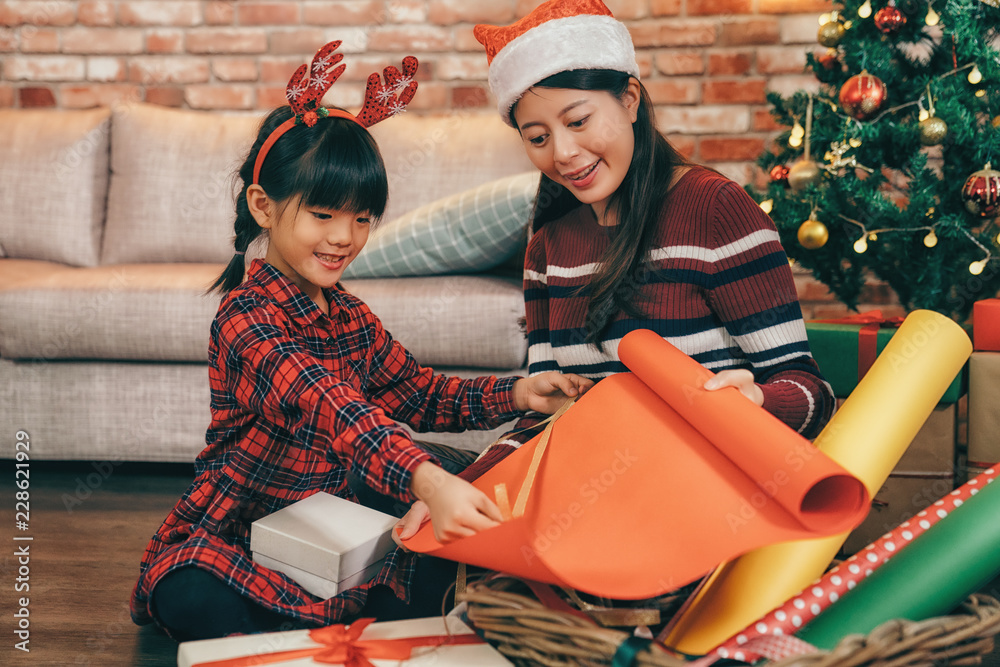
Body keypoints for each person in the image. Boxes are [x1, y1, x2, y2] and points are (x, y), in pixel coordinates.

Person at [129, 41, 592, 641]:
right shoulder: (245, 318)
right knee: (191, 593)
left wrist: (520, 393)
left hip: (335, 517)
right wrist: (426, 479)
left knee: (438, 561)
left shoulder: (351, 315)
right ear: (264, 207)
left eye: (363, 218)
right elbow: (333, 408)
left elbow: (421, 395)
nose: (345, 238)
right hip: (247, 520)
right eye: (323, 215)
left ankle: (335, 616)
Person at [395, 0, 835, 541]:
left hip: (701, 499)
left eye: (578, 121)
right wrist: (466, 486)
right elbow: (544, 416)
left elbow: (814, 392)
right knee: (395, 479)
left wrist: (758, 400)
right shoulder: (549, 247)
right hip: (589, 495)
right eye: (537, 137)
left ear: (629, 99)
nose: (564, 153)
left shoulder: (714, 209)